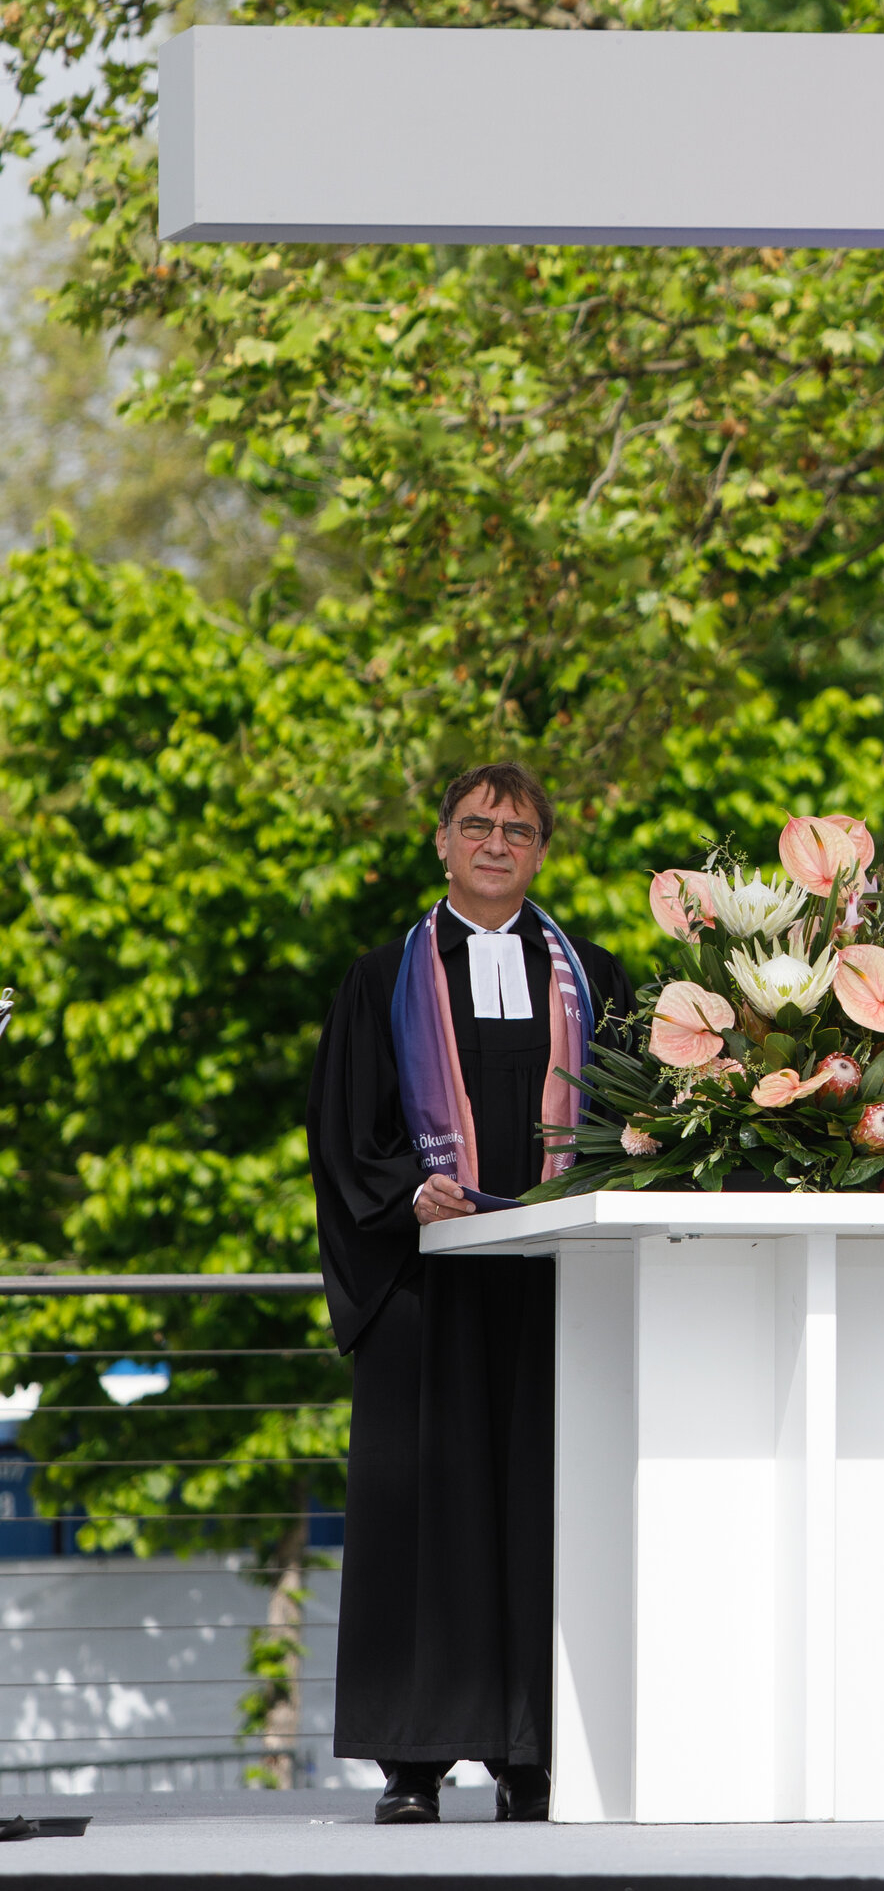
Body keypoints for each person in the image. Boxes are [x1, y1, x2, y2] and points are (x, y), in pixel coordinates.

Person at [307, 761, 633, 1824]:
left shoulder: (598, 981)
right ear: (440, 841)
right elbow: (343, 1131)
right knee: (425, 1516)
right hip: (427, 1289)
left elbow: (633, 1118)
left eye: (520, 830)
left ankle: (536, 1754)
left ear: (542, 852)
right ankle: (414, 1760)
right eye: (478, 825)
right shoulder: (378, 979)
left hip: (552, 1285)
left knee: (546, 1507)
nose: (497, 844)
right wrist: (409, 1188)